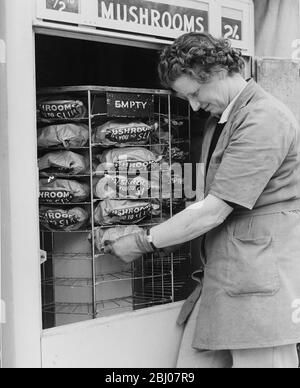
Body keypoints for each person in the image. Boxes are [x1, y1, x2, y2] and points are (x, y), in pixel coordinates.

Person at [104, 32, 300, 368]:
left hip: (260, 289)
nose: (193, 106)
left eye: (194, 94)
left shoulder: (263, 118)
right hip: (224, 281)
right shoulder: (221, 120)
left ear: (217, 72)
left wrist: (143, 241)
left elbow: (212, 211)